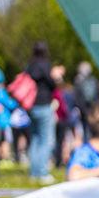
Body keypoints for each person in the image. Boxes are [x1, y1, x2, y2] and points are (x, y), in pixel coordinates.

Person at [27, 41, 65, 184]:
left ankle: (34, 172)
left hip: (31, 106)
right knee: (47, 140)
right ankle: (42, 172)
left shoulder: (30, 66)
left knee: (35, 139)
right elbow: (52, 85)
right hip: (44, 105)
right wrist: (57, 76)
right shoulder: (45, 65)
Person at [73, 61, 99, 140]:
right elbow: (97, 94)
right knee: (91, 128)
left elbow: (76, 96)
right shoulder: (94, 80)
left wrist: (79, 107)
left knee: (85, 129)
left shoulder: (78, 81)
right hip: (92, 107)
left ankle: (86, 143)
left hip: (83, 108)